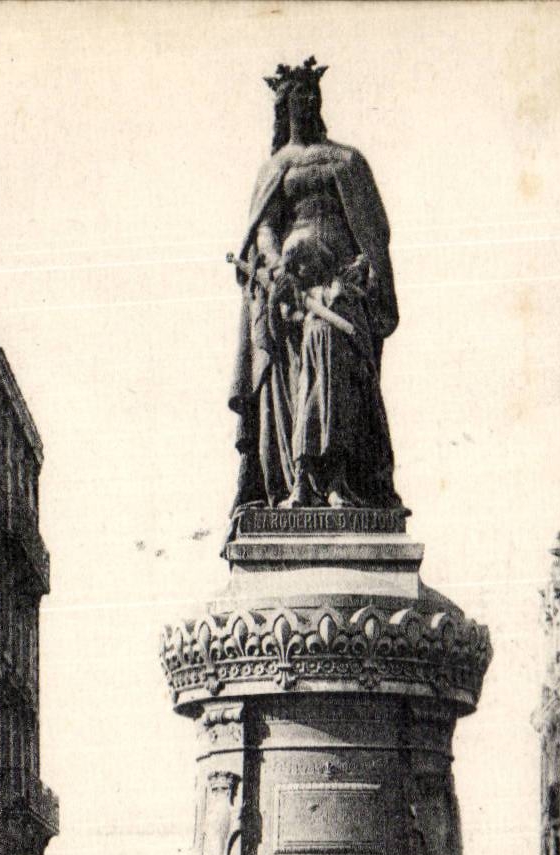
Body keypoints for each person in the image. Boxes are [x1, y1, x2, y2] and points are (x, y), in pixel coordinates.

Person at [229, 58, 402, 516]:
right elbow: (264, 230)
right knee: (312, 344)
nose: (306, 103)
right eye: (297, 97)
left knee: (331, 342)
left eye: (312, 95)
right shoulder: (276, 168)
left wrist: (361, 269)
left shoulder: (348, 160)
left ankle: (336, 477)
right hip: (291, 292)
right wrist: (274, 268)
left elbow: (374, 234)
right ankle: (306, 478)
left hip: (344, 288)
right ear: (284, 108)